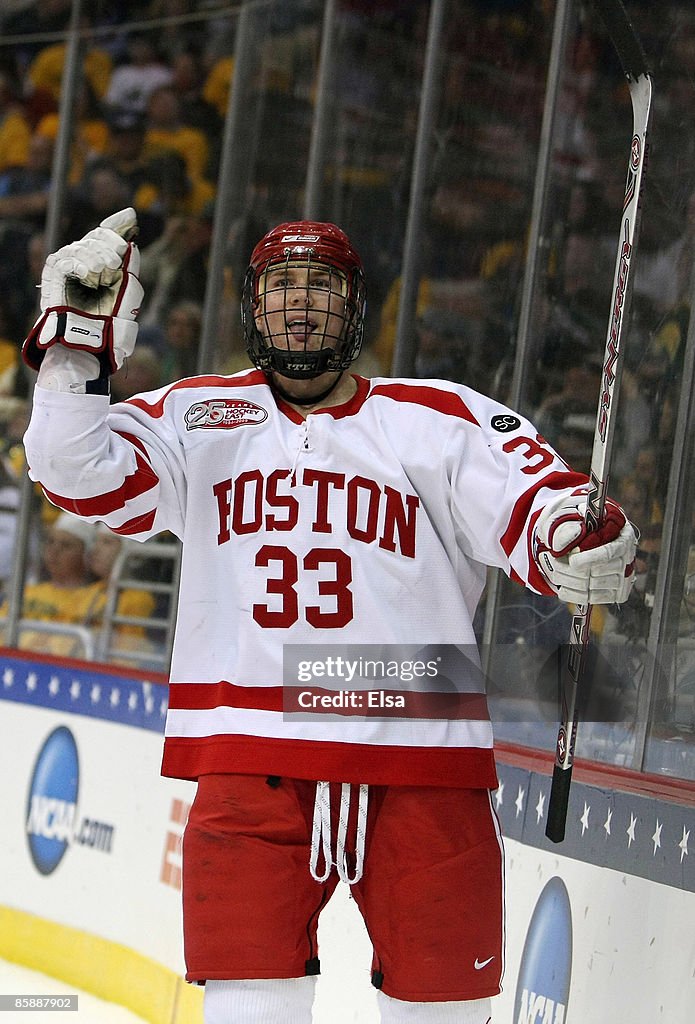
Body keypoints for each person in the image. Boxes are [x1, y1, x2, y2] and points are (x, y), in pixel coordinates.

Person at [22, 209, 637, 1024]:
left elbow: (538, 500)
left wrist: (578, 537)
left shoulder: (437, 418)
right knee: (251, 1011)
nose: (301, 303)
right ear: (252, 306)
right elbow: (75, 471)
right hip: (250, 758)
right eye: (282, 285)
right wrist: (73, 351)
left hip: (420, 756)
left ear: (355, 308)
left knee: (442, 1014)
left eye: (321, 285)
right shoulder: (197, 416)